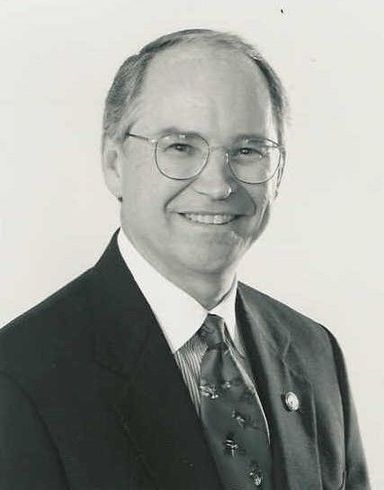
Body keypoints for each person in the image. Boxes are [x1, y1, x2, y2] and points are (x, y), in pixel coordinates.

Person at [0, 29, 370, 489]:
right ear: (114, 162)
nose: (218, 184)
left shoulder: (315, 353)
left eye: (248, 151)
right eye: (180, 147)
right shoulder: (18, 375)